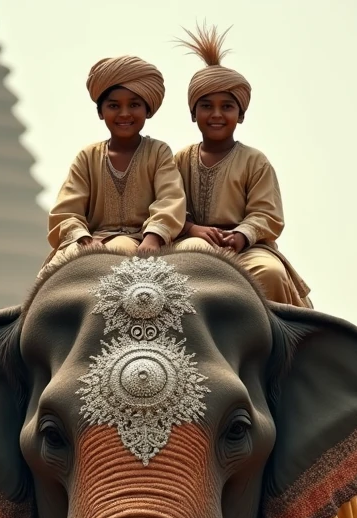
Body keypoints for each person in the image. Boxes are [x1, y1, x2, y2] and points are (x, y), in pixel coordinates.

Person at [173, 24, 311, 307]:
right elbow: (165, 206)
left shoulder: (255, 161)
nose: (216, 114)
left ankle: (283, 348)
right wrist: (192, 229)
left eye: (227, 106)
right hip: (192, 243)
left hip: (249, 249)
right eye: (206, 106)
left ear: (241, 114)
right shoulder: (179, 160)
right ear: (193, 113)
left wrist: (241, 235)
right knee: (192, 258)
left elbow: (267, 215)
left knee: (270, 273)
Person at [43, 55, 185, 272]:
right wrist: (85, 240)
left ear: (147, 110)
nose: (124, 113)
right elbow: (66, 211)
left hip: (139, 241)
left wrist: (154, 237)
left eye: (134, 105)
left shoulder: (158, 152)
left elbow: (170, 198)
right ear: (101, 112)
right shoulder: (87, 156)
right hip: (88, 242)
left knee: (117, 249)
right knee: (53, 271)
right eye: (114, 105)